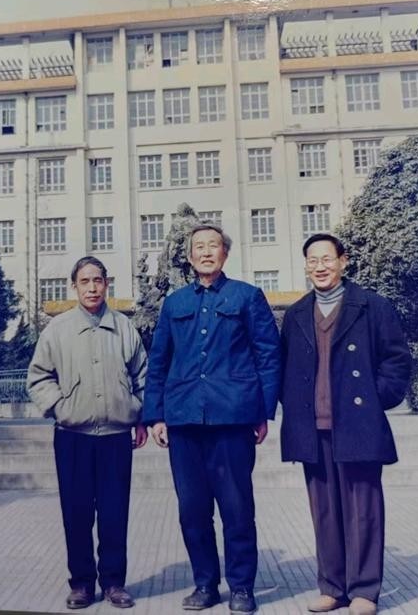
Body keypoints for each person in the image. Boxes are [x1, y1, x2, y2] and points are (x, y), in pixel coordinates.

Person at [143, 224, 281, 614]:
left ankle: (242, 587)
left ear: (225, 253)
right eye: (199, 247)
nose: (206, 252)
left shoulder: (247, 297)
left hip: (232, 419)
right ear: (189, 257)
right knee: (192, 510)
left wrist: (263, 411)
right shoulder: (174, 303)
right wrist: (155, 415)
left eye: (213, 246)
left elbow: (268, 354)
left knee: (237, 508)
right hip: (184, 419)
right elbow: (159, 361)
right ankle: (205, 584)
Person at [279, 234, 411, 615]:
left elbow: (397, 361)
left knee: (363, 510)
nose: (320, 267)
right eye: (312, 260)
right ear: (306, 266)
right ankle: (332, 587)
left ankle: (364, 590)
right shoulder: (297, 313)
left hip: (357, 426)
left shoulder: (372, 306)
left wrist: (373, 399)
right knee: (324, 512)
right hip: (313, 428)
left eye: (327, 259)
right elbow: (285, 367)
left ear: (343, 261)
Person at [27, 256, 147, 610]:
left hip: (115, 437)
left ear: (106, 284)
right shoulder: (58, 330)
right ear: (74, 286)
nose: (92, 288)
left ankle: (114, 583)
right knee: (76, 513)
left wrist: (138, 414)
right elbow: (39, 377)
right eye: (85, 281)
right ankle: (80, 584)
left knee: (114, 513)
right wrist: (60, 407)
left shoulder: (124, 327)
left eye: (98, 280)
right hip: (72, 436)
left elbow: (143, 375)